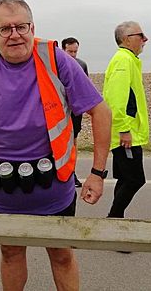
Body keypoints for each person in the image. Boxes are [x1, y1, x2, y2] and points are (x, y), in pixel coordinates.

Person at [0, 0, 111, 291]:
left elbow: (100, 111)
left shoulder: (56, 59)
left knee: (62, 255)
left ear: (33, 27)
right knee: (10, 252)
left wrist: (98, 172)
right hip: (0, 189)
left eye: (21, 27)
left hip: (54, 186)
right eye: (5, 29)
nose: (15, 34)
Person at [103, 21, 149, 220]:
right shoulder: (123, 60)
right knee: (135, 180)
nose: (145, 39)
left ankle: (117, 220)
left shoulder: (128, 59)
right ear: (126, 39)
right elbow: (115, 99)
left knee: (125, 179)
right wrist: (124, 129)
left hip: (128, 132)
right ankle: (113, 218)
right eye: (141, 35)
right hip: (126, 134)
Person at [61, 37, 89, 188]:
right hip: (60, 112)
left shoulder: (81, 65)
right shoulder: (56, 65)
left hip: (75, 111)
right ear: (63, 50)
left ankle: (72, 173)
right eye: (69, 51)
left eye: (75, 52)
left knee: (73, 143)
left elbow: (85, 90)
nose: (72, 55)